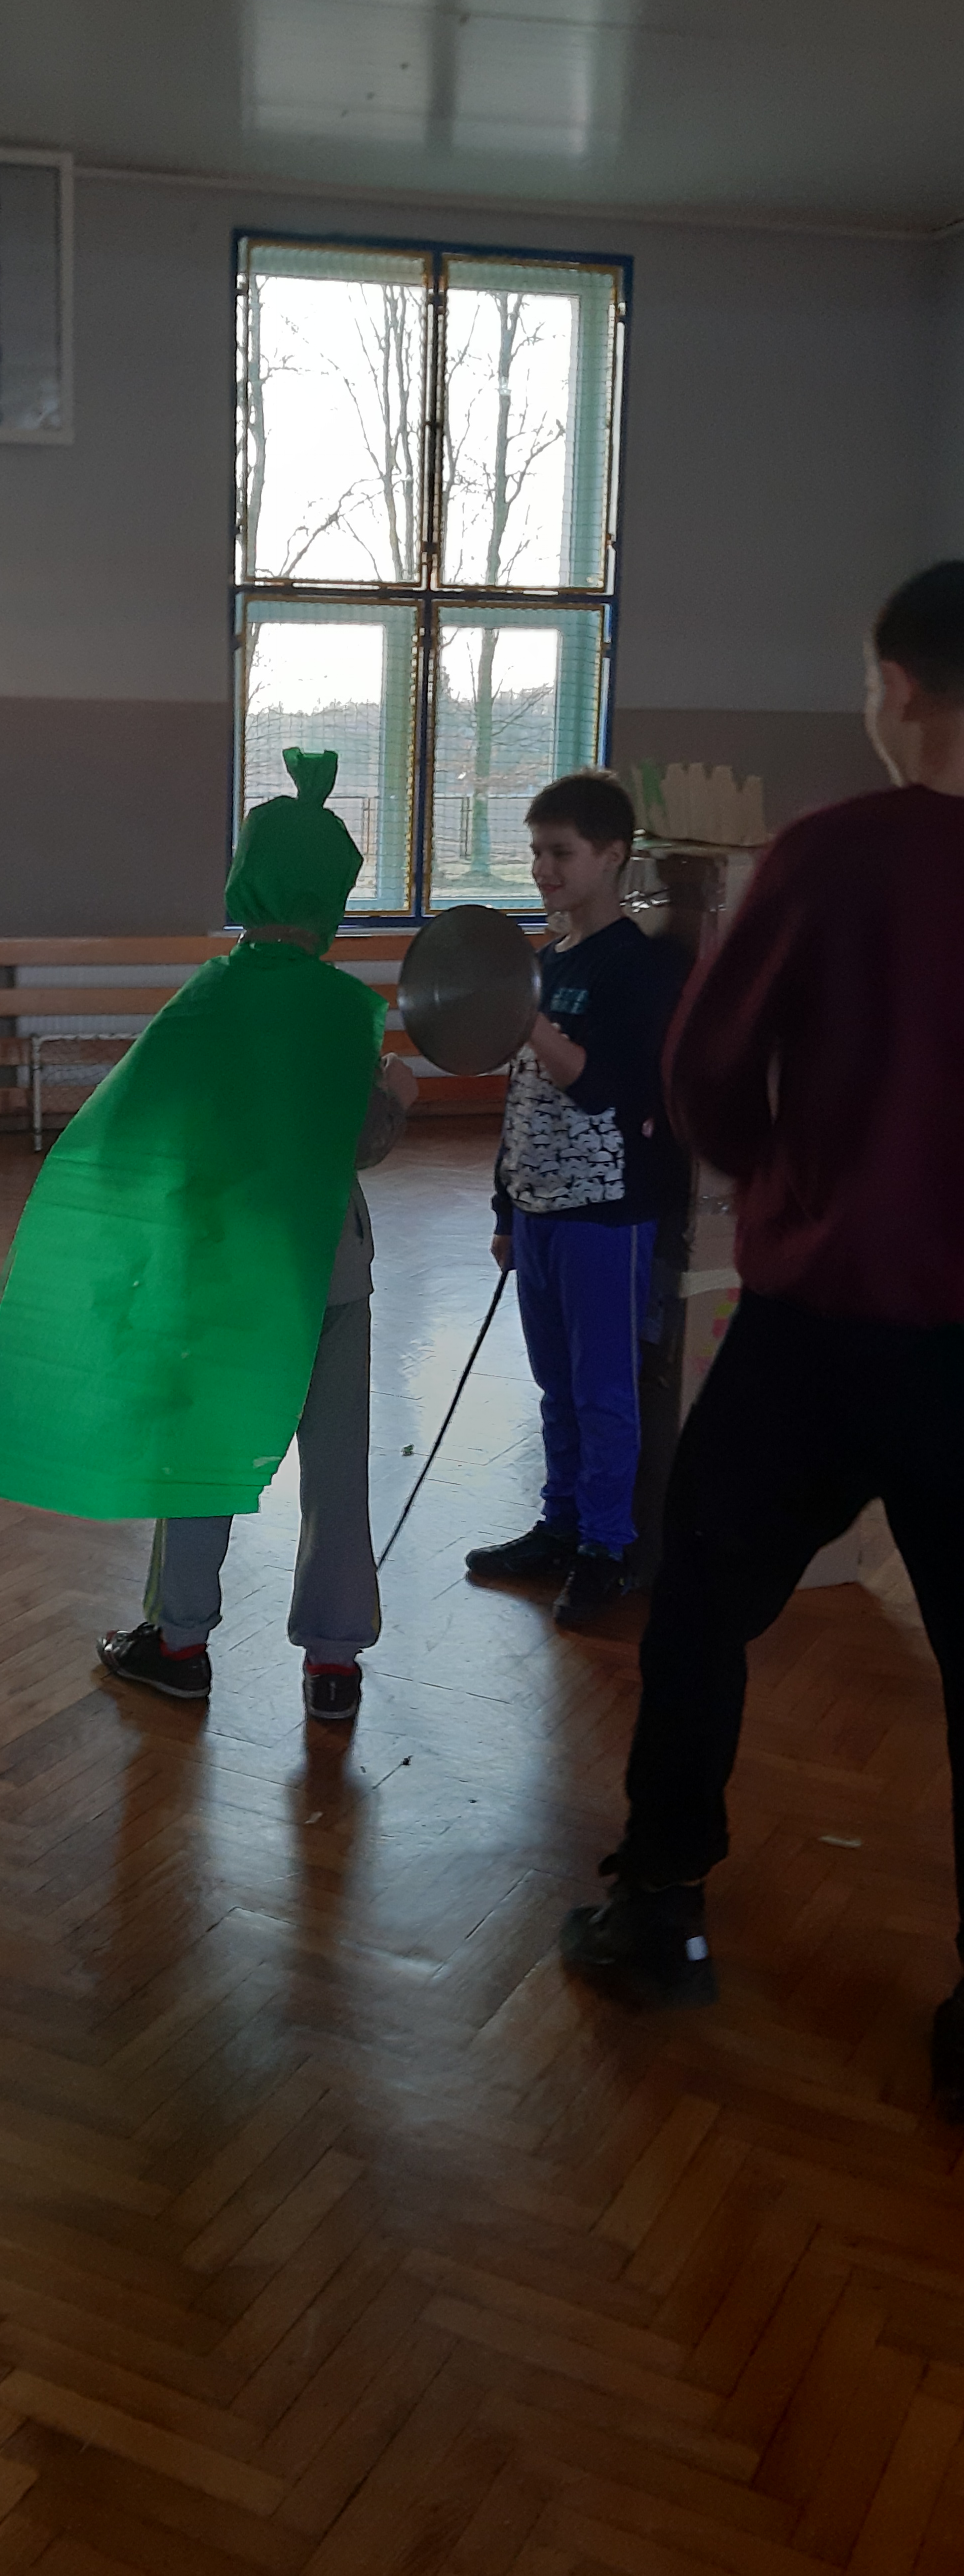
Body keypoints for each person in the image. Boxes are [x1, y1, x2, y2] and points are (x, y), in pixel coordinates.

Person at [560, 562, 964, 2110]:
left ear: (901, 690)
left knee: (704, 1606)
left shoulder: (834, 855)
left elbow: (710, 1070)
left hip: (821, 1323)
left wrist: (789, 1175)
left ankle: (663, 1906)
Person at [0, 750, 415, 1723]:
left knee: (203, 1445)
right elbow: (361, 1144)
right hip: (332, 1272)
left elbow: (135, 1132)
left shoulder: (205, 1003)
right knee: (338, 1463)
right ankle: (333, 1664)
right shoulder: (345, 1014)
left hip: (226, 1275)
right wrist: (397, 1101)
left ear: (246, 881)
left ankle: (180, 1643)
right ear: (330, 896)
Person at [465, 772, 689, 1629]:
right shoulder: (547, 962)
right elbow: (522, 1096)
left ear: (613, 856)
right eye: (535, 853)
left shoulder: (641, 966)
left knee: (602, 1390)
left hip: (606, 1212)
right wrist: (505, 1209)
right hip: (538, 1210)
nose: (542, 870)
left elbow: (603, 1090)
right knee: (554, 1384)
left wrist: (528, 1019)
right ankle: (559, 1527)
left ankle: (606, 1546)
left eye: (560, 853)